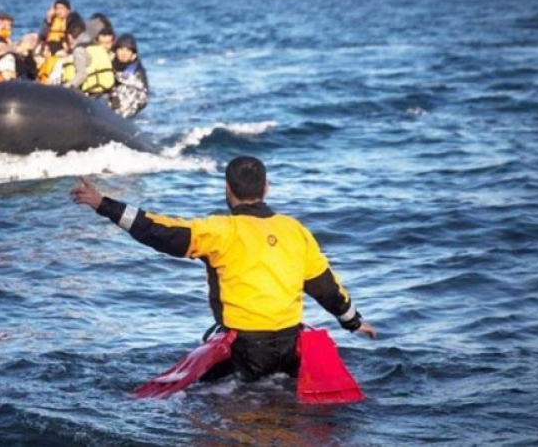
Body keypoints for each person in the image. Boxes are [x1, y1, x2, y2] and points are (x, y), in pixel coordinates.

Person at [69, 156, 377, 383]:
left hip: (242, 350)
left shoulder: (220, 230)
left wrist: (102, 204)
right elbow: (325, 287)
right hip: (289, 348)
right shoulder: (295, 230)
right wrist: (353, 322)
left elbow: (158, 231)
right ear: (266, 188)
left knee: (215, 400)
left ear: (227, 189)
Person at [64, 17, 115, 98]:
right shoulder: (101, 50)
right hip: (106, 94)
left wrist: (64, 89)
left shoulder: (79, 50)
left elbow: (82, 75)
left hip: (92, 96)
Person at [108, 33, 149, 118]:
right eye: (121, 49)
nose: (123, 53)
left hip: (125, 112)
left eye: (128, 50)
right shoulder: (108, 64)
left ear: (133, 55)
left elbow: (143, 99)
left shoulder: (137, 72)